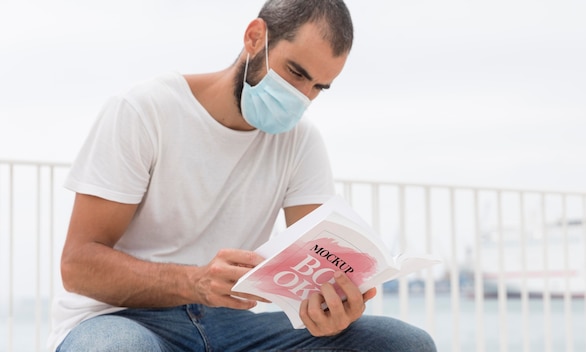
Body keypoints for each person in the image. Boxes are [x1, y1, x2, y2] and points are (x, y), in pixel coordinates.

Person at [48, 0, 437, 351]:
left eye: (319, 87)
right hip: (123, 318)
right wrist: (195, 282)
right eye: (296, 73)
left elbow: (318, 267)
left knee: (403, 344)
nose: (302, 97)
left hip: (234, 325)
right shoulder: (144, 111)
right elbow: (78, 266)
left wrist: (330, 310)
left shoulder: (300, 142)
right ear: (255, 38)